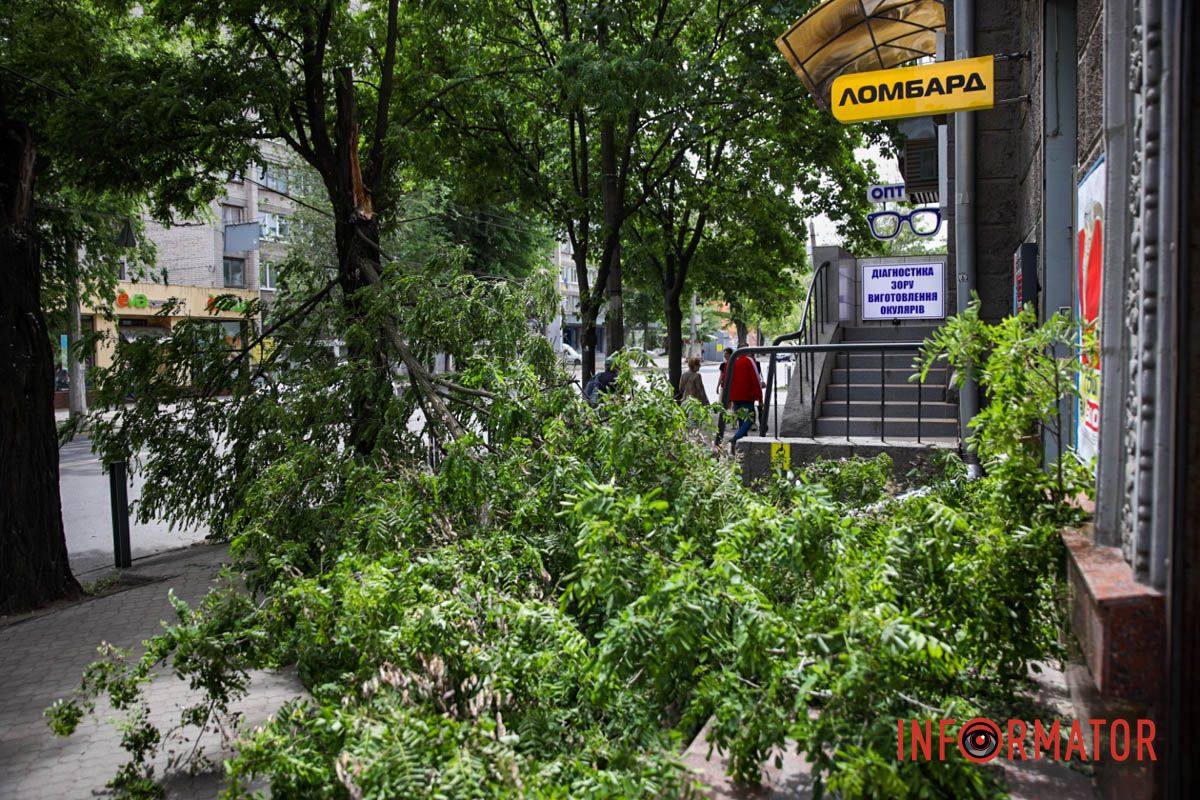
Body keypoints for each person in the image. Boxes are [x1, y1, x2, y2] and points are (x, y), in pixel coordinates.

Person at [727, 349, 763, 445]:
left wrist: (729, 397)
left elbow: (727, 379)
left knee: (742, 420)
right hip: (747, 395)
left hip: (735, 396)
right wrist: (760, 397)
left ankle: (743, 443)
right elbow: (755, 379)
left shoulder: (733, 361)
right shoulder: (749, 361)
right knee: (749, 419)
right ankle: (736, 438)